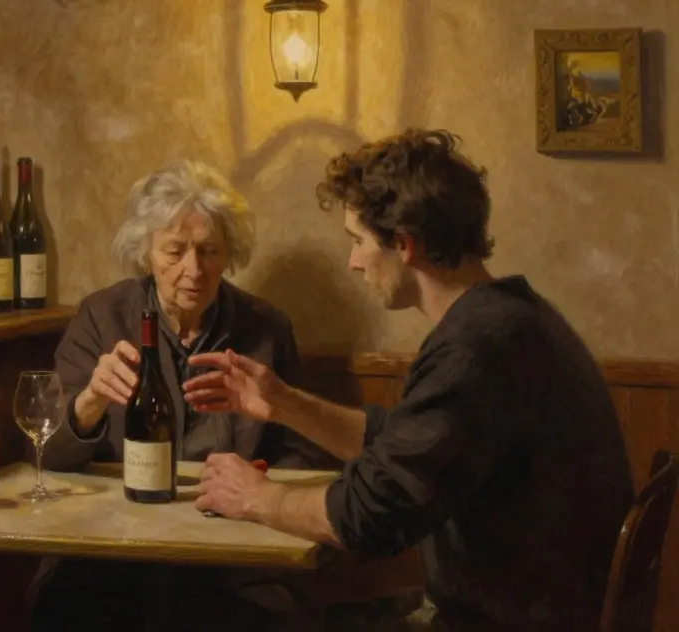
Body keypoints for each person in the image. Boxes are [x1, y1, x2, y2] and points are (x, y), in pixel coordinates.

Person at [184, 128, 634, 631]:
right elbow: (403, 446)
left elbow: (367, 517)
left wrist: (257, 498)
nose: (353, 262)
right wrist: (284, 403)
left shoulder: (473, 350)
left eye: (358, 241)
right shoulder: (510, 317)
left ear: (404, 244)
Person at [29, 159, 344, 631]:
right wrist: (91, 400)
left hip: (234, 555)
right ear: (145, 253)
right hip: (115, 548)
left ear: (229, 253)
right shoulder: (102, 316)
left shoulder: (266, 328)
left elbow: (302, 457)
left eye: (209, 251)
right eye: (175, 251)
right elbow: (46, 448)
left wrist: (258, 493)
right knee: (67, 607)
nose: (193, 269)